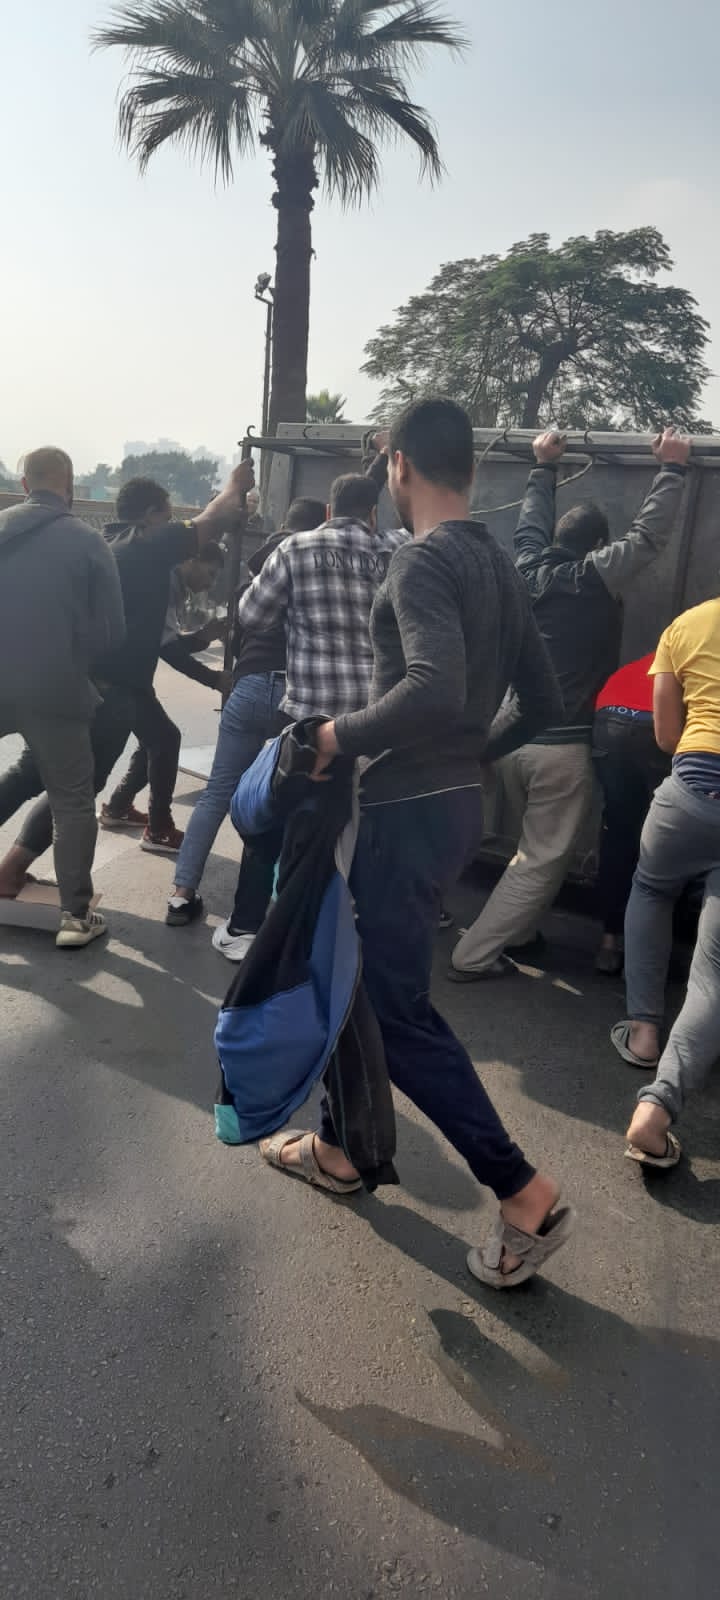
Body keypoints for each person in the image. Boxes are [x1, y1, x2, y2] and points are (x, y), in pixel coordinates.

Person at [260, 397, 574, 1290]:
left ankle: (523, 1192)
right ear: (470, 467)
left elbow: (434, 686)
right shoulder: (502, 566)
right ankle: (339, 1149)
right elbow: (545, 705)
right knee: (355, 979)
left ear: (397, 463)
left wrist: (335, 737)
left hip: (404, 813)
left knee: (394, 1012)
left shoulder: (422, 559)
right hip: (450, 807)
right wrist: (470, 755)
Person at [450, 425, 691, 981]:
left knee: (525, 847)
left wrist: (543, 466)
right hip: (562, 748)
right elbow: (648, 538)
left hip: (510, 737)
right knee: (541, 859)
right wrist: (673, 470)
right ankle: (474, 955)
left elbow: (530, 526)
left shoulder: (524, 567)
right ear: (599, 546)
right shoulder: (593, 577)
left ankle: (521, 934)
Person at [0, 463, 254, 899]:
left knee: (33, 774)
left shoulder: (104, 543)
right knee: (77, 788)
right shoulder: (147, 546)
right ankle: (14, 872)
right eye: (167, 516)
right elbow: (213, 518)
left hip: (70, 682)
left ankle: (14, 869)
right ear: (151, 516)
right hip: (111, 692)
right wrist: (237, 484)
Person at [210, 470, 409, 960]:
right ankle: (340, 929)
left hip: (309, 726)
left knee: (270, 822)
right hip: (376, 723)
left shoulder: (296, 549)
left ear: (328, 512)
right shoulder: (399, 550)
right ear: (373, 514)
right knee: (359, 830)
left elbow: (251, 616)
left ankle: (246, 927)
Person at [166, 497, 327, 928]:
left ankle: (181, 895)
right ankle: (278, 904)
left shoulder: (254, 580)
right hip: (297, 696)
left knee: (217, 793)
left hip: (249, 687)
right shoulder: (322, 576)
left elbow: (238, 644)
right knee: (289, 797)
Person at [0, 447, 125, 948]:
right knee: (72, 800)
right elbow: (112, 633)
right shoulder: (88, 541)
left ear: (24, 485)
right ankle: (75, 917)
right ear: (69, 485)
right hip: (56, 686)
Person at [613, 593, 720, 1169]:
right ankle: (656, 1109)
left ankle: (643, 1033)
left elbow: (664, 736)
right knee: (714, 970)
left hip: (688, 793)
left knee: (652, 890)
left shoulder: (685, 626)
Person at [99, 542, 228, 832]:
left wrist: (202, 637)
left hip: (130, 675)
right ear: (192, 559)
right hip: (121, 676)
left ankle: (118, 806)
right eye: (210, 573)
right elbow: (168, 648)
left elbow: (164, 640)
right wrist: (214, 679)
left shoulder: (173, 584)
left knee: (156, 740)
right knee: (166, 739)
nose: (210, 584)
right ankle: (159, 828)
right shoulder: (164, 582)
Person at [592, 653, 670, 974]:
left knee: (619, 833)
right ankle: (646, 956)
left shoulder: (661, 652)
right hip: (652, 724)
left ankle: (608, 944)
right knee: (664, 839)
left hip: (608, 717)